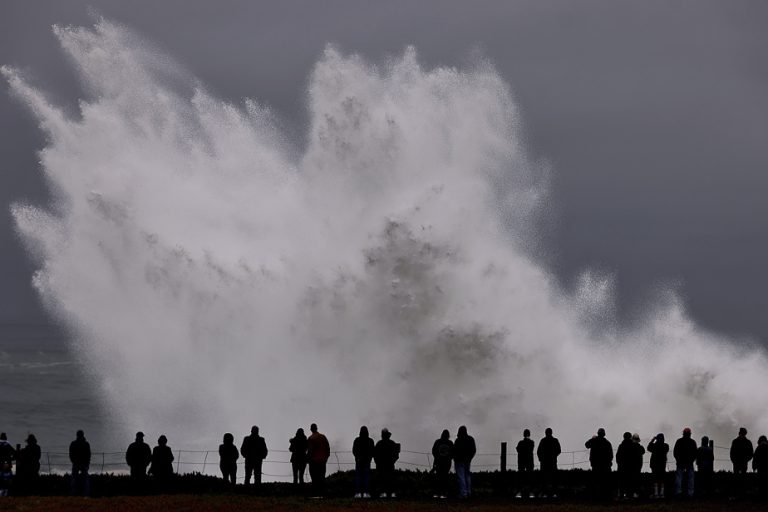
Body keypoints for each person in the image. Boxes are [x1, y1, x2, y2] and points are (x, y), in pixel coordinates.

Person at [585, 428, 613, 500]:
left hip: (595, 464)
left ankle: (595, 496)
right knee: (604, 481)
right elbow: (611, 455)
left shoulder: (594, 441)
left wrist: (592, 438)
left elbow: (587, 445)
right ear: (604, 434)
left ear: (598, 433)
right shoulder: (607, 443)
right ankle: (605, 496)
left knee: (596, 480)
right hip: (605, 465)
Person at [374, 428, 400, 498]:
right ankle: (389, 493)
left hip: (385, 465)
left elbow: (375, 455)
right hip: (387, 464)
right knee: (388, 479)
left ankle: (386, 493)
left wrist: (378, 463)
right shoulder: (391, 443)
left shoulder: (380, 443)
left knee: (386, 479)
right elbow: (396, 454)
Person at [536, 428, 561, 498]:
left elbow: (538, 451)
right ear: (551, 433)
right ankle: (554, 493)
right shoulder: (555, 440)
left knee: (544, 478)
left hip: (544, 462)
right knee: (553, 478)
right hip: (552, 462)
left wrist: (541, 459)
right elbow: (559, 450)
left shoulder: (543, 441)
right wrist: (554, 456)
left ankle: (544, 492)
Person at [307, 423, 330, 496]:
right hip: (323, 460)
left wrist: (308, 459)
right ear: (317, 428)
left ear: (311, 429)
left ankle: (315, 494)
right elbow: (327, 448)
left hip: (314, 461)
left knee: (314, 478)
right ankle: (323, 494)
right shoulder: (323, 437)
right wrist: (326, 457)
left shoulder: (311, 438)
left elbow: (310, 451)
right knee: (322, 477)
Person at [673, 427, 697, 498]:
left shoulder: (679, 441)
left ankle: (678, 492)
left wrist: (678, 459)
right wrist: (692, 460)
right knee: (691, 478)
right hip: (689, 462)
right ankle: (690, 493)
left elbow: (675, 452)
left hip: (680, 462)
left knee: (679, 477)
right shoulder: (692, 442)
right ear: (690, 434)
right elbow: (695, 453)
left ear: (683, 433)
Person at [730, 427, 754, 499]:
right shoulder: (748, 442)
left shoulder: (735, 441)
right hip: (743, 462)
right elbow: (751, 453)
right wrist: (746, 460)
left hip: (736, 463)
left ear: (739, 433)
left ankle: (736, 494)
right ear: (745, 433)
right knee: (743, 478)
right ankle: (742, 494)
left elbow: (732, 453)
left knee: (736, 478)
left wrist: (734, 460)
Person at [454, 426, 476, 498]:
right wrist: (470, 458)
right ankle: (468, 492)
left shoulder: (458, 440)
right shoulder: (470, 439)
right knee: (467, 476)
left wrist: (455, 458)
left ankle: (463, 493)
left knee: (461, 477)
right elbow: (473, 450)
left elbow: (455, 450)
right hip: (467, 461)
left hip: (459, 461)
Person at [352, 426, 374, 498]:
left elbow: (354, 450)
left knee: (359, 478)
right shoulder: (370, 441)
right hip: (367, 462)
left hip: (359, 461)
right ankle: (366, 493)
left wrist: (357, 458)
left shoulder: (357, 440)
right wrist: (369, 458)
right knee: (366, 477)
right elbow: (372, 451)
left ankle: (358, 493)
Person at [431, 429, 453, 499]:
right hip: (447, 463)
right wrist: (449, 458)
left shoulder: (437, 442)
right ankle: (444, 493)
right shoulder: (450, 443)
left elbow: (434, 451)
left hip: (438, 462)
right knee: (445, 478)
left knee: (438, 478)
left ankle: (436, 493)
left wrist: (436, 459)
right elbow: (452, 452)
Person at [69, 430, 91, 496]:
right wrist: (87, 463)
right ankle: (86, 494)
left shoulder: (73, 443)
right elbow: (88, 455)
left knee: (74, 479)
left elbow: (71, 454)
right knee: (85, 480)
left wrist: (73, 461)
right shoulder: (86, 444)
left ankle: (73, 494)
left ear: (77, 435)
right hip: (84, 464)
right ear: (83, 435)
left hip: (76, 463)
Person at [647, 433, 669, 498]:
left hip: (654, 464)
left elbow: (648, 448)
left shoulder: (654, 446)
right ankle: (662, 493)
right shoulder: (666, 446)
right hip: (662, 464)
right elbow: (666, 449)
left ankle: (656, 493)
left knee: (655, 479)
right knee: (662, 479)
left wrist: (653, 440)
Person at [515, 429, 534, 499]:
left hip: (522, 461)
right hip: (529, 461)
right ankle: (530, 492)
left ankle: (521, 491)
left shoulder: (521, 443)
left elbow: (518, 449)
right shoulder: (531, 442)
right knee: (529, 477)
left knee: (521, 477)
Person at [616, 432, 634, 499]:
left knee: (622, 482)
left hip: (622, 466)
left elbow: (617, 456)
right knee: (630, 481)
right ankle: (629, 495)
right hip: (630, 467)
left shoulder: (621, 445)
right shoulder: (633, 445)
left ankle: (621, 495)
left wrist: (619, 464)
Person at [753, 435, 768, 499]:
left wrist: (754, 466)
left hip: (760, 467)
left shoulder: (759, 447)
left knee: (761, 481)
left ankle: (761, 496)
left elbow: (755, 457)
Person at [0, 433, 14, 497]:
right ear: (6, 438)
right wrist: (10, 459)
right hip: (8, 464)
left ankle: (1, 492)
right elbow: (15, 453)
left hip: (0, 465)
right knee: (8, 479)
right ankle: (7, 493)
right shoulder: (8, 445)